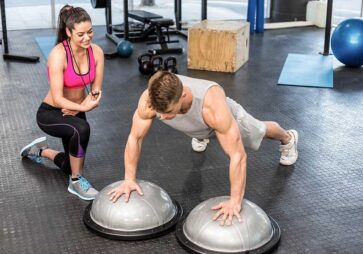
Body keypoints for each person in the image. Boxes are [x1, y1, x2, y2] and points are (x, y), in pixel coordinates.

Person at [108, 71, 298, 225]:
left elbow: (238, 156)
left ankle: (288, 138)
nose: (162, 117)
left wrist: (235, 201)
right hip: (197, 125)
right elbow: (135, 138)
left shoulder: (212, 107)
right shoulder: (150, 102)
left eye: (167, 112)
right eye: (160, 113)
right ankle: (199, 134)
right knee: (189, 126)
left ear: (183, 96)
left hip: (221, 120)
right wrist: (129, 179)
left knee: (261, 130)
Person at [20, 5, 104, 201]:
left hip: (75, 110)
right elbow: (58, 98)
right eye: (81, 34)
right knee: (82, 129)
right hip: (52, 112)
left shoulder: (97, 52)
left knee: (69, 164)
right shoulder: (58, 54)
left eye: (90, 31)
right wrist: (82, 107)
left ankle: (39, 151)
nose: (87, 38)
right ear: (68, 32)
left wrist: (82, 105)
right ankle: (76, 182)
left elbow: (96, 89)